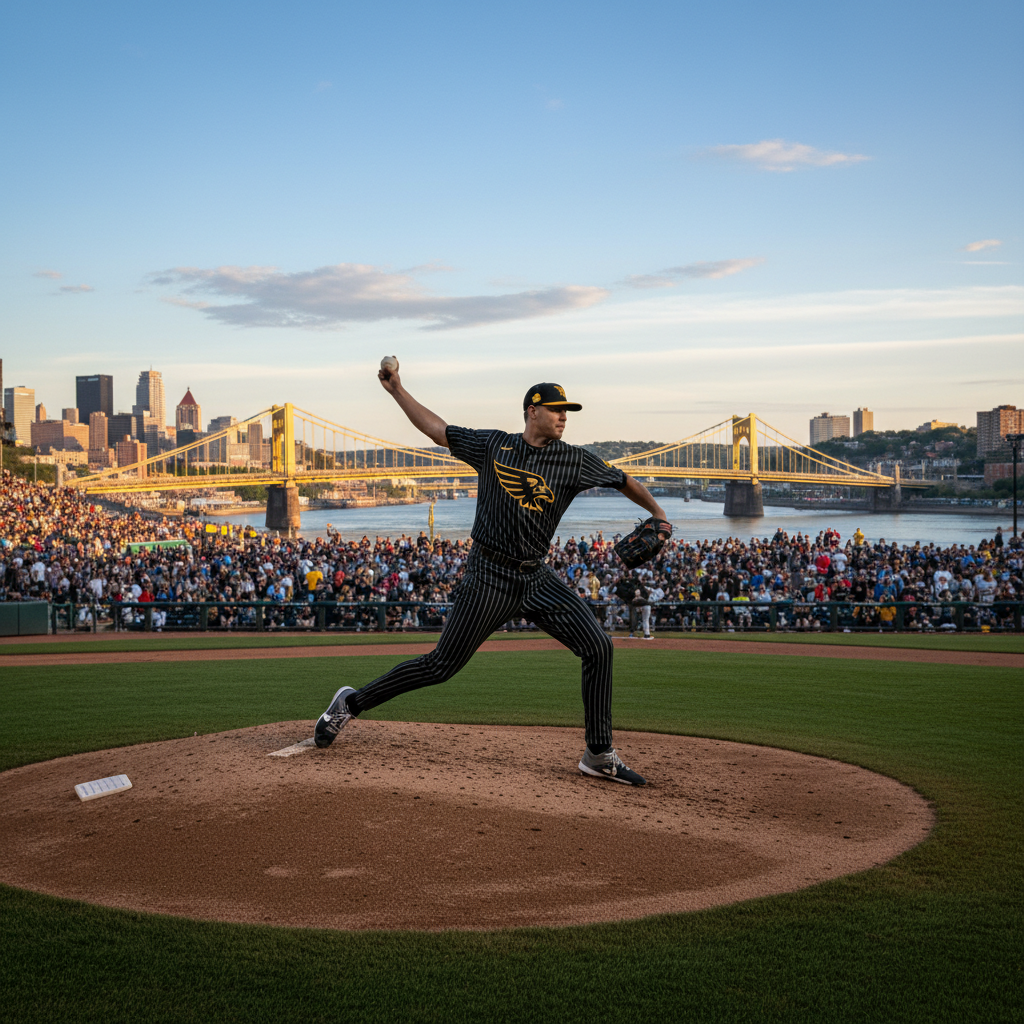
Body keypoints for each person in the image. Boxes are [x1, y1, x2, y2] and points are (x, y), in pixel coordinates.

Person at [314, 371, 672, 786]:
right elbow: (437, 430)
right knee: (440, 667)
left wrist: (659, 515)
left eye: (567, 411)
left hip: (536, 577)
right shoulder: (494, 446)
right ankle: (350, 703)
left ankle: (599, 753)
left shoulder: (572, 459)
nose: (563, 417)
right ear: (531, 411)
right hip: (488, 575)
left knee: (598, 647)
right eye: (556, 410)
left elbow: (623, 479)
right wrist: (397, 390)